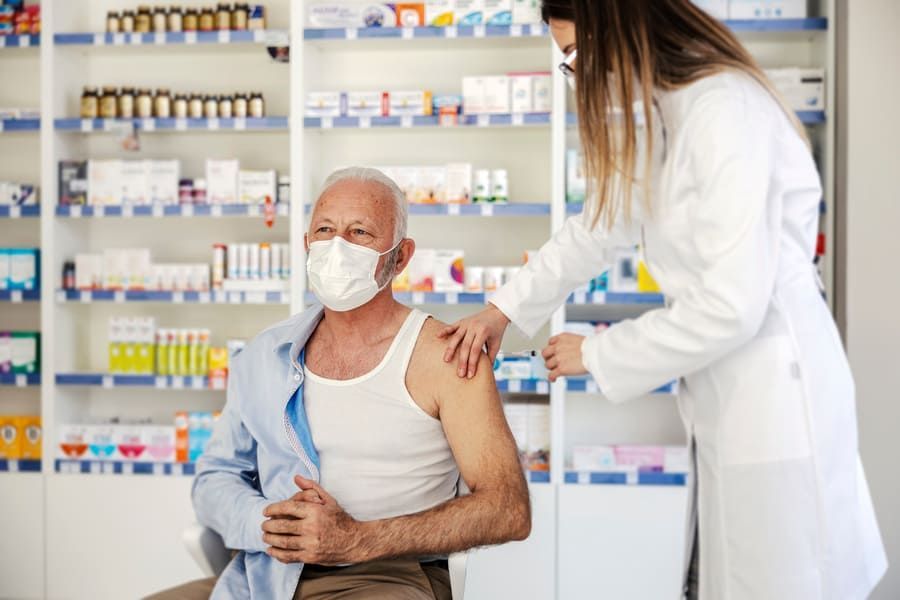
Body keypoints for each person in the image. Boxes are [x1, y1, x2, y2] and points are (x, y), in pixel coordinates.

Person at [439, 1, 887, 598]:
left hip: (775, 393)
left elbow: (731, 304)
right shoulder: (665, 112)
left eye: (573, 55)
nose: (575, 74)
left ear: (617, 27)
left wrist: (595, 354)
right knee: (727, 573)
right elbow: (599, 226)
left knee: (782, 576)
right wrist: (503, 311)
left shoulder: (723, 109)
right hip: (729, 395)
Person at [149, 168, 530, 600]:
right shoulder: (265, 355)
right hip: (267, 574)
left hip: (385, 574)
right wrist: (274, 524)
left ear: (400, 257)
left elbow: (508, 509)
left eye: (360, 232)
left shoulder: (446, 356)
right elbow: (216, 477)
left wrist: (357, 538)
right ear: (307, 245)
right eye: (325, 231)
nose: (337, 247)